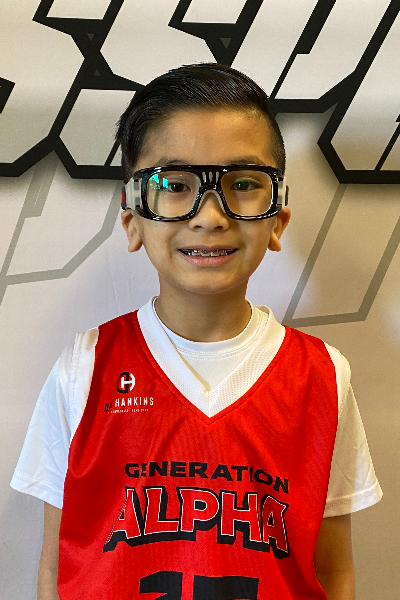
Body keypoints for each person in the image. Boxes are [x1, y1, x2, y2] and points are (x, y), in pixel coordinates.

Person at [11, 63, 382, 600]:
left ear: (277, 219)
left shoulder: (323, 376)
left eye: (243, 184)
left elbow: (333, 572)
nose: (209, 215)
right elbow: (56, 569)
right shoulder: (85, 367)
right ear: (132, 220)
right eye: (175, 185)